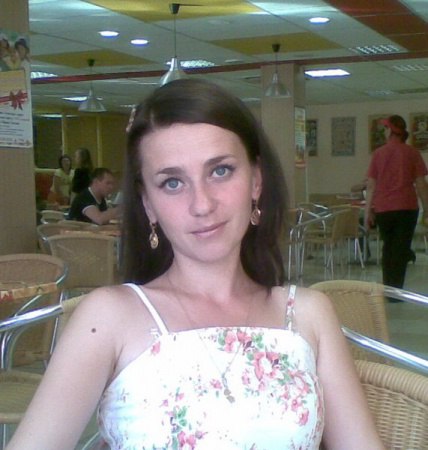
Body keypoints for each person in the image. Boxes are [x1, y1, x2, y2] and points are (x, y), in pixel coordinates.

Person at [7, 80, 383, 450]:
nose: (201, 204)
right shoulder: (108, 317)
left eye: (220, 171)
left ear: (256, 181)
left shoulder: (308, 314)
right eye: (172, 183)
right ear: (148, 203)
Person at [365, 115, 428, 290]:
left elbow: (371, 185)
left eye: (385, 128)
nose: (384, 132)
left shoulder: (378, 154)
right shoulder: (412, 153)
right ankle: (396, 288)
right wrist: (427, 208)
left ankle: (388, 287)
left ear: (391, 131)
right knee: (401, 248)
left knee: (388, 247)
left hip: (384, 209)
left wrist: (368, 211)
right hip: (407, 208)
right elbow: (421, 184)